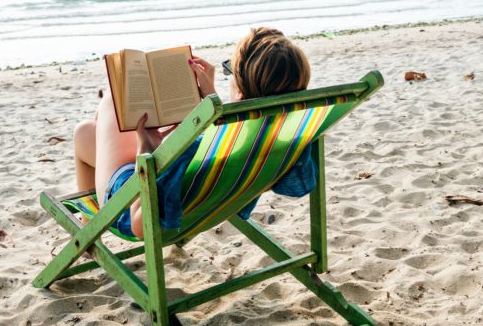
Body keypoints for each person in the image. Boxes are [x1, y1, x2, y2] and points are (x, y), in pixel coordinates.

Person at [72, 27, 312, 239]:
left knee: (107, 107)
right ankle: (87, 230)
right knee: (88, 132)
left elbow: (141, 225)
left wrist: (146, 152)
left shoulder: (197, 148)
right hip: (205, 209)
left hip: (130, 203)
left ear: (239, 91)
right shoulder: (291, 137)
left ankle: (89, 232)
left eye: (231, 72)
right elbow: (297, 184)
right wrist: (211, 104)